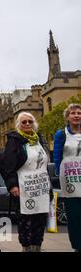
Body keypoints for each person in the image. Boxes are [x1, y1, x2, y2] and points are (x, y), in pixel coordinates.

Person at [0, 112, 52, 252]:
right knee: (26, 221)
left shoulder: (39, 139)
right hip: (24, 188)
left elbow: (44, 165)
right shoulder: (14, 141)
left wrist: (49, 187)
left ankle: (37, 246)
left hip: (41, 187)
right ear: (19, 125)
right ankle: (26, 247)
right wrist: (12, 185)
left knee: (40, 219)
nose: (27, 124)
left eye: (30, 121)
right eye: (24, 122)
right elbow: (7, 165)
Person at [53, 103, 81, 252]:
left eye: (79, 113)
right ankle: (77, 246)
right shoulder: (61, 134)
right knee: (74, 216)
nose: (76, 115)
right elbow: (57, 156)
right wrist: (59, 173)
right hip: (71, 180)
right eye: (73, 113)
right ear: (68, 117)